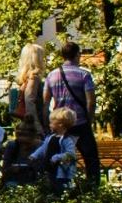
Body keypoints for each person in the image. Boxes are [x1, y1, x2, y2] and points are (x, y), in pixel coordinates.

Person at [42, 41, 99, 187]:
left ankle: (57, 188)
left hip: (60, 125)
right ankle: (92, 189)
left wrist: (48, 123)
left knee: (57, 159)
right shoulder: (84, 75)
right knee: (90, 159)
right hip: (80, 123)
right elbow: (91, 101)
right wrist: (89, 119)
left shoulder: (51, 75)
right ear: (77, 54)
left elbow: (46, 101)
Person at [26, 108, 82, 189]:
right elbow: (43, 148)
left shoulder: (67, 139)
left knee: (60, 188)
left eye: (51, 123)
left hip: (61, 171)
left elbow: (71, 154)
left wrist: (57, 157)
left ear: (60, 124)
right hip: (49, 167)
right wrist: (34, 155)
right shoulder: (50, 137)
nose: (49, 125)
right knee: (49, 185)